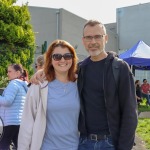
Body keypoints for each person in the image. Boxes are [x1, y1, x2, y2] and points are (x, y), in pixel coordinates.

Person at [30, 20, 138, 150]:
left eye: (98, 36)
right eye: (88, 37)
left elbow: (130, 113)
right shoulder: (80, 69)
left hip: (110, 143)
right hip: (83, 143)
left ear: (106, 38)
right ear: (83, 40)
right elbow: (60, 68)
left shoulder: (119, 68)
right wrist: (42, 71)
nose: (93, 42)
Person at [18, 40, 80, 150]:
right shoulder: (39, 85)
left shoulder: (80, 83)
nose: (62, 60)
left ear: (73, 59)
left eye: (67, 56)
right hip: (46, 146)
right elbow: (27, 122)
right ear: (50, 60)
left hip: (76, 146)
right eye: (57, 56)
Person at [0, 64, 28, 149]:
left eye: (9, 71)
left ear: (18, 73)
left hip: (9, 120)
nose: (7, 74)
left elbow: (7, 101)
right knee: (19, 145)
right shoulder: (23, 85)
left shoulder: (13, 84)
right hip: (18, 121)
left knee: (3, 144)